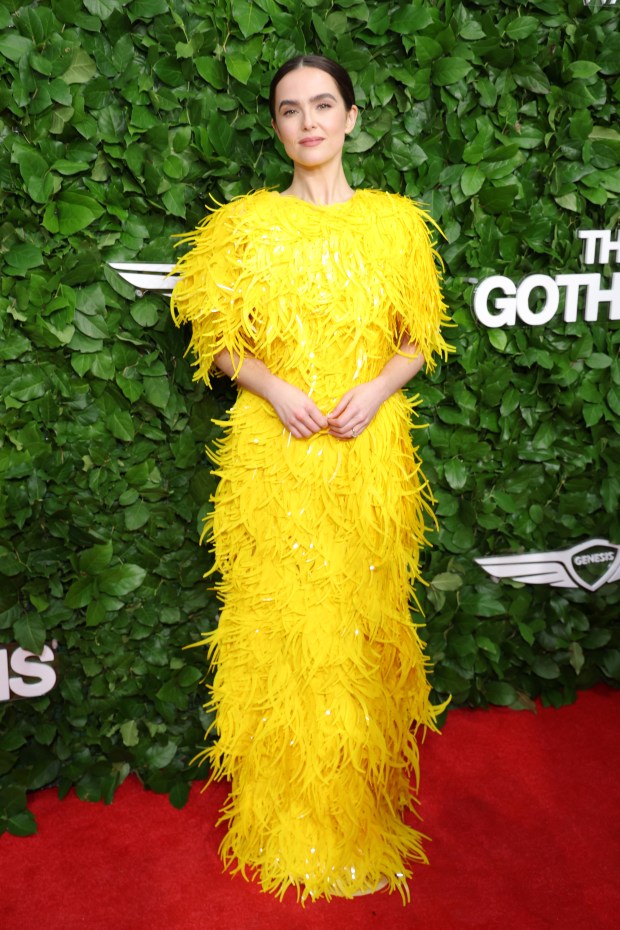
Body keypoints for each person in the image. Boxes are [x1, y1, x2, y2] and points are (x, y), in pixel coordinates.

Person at [170, 54, 451, 904]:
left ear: (352, 118)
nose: (308, 122)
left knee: (361, 629)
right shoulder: (243, 227)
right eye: (290, 110)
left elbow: (417, 339)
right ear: (275, 127)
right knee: (285, 635)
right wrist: (274, 387)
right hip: (277, 458)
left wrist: (377, 388)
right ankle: (289, 826)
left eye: (323, 105)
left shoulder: (397, 225)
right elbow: (217, 341)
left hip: (369, 456)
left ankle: (356, 817)